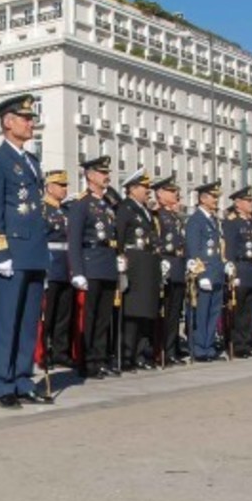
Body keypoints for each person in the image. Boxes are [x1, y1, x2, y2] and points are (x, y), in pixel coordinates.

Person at [0, 94, 51, 407]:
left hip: (34, 250)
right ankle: (3, 384)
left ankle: (23, 379)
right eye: (25, 118)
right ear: (8, 122)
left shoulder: (32, 161)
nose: (30, 122)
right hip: (12, 251)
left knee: (28, 321)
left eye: (31, 118)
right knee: (8, 320)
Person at [68, 156, 120, 377]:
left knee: (103, 317)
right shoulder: (82, 204)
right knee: (89, 317)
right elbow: (74, 240)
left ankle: (99, 358)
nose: (106, 176)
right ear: (89, 176)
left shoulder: (107, 205)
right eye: (101, 173)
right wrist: (78, 271)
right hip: (91, 265)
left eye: (106, 172)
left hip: (107, 263)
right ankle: (87, 361)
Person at [115, 169, 161, 370]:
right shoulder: (125, 209)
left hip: (147, 264)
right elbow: (120, 236)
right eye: (145, 188)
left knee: (146, 313)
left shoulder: (145, 211)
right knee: (132, 313)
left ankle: (141, 353)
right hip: (133, 263)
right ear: (132, 189)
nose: (148, 192)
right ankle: (126, 355)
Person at [184, 180, 226, 362]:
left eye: (217, 197)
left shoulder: (213, 220)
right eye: (213, 197)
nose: (216, 200)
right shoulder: (196, 220)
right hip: (204, 273)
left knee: (213, 312)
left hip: (216, 272)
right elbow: (194, 249)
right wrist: (200, 275)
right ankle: (199, 347)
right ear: (203, 198)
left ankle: (208, 346)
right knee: (201, 313)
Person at [222, 186, 252, 358]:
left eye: (251, 200)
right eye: (247, 201)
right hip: (240, 267)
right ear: (237, 204)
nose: (251, 203)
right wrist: (231, 269)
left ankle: (247, 341)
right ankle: (238, 344)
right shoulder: (232, 223)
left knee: (249, 310)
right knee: (238, 309)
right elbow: (229, 248)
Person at [40, 170, 73, 369]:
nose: (64, 189)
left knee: (64, 313)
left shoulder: (66, 211)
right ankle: (44, 352)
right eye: (60, 185)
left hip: (66, 266)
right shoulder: (43, 210)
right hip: (50, 266)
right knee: (48, 314)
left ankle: (61, 351)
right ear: (49, 187)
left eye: (65, 185)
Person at [153, 175, 186, 365]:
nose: (176, 195)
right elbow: (157, 243)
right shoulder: (157, 216)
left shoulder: (175, 217)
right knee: (163, 312)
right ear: (160, 194)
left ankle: (171, 348)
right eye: (172, 192)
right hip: (165, 266)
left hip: (178, 267)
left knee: (174, 313)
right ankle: (160, 349)